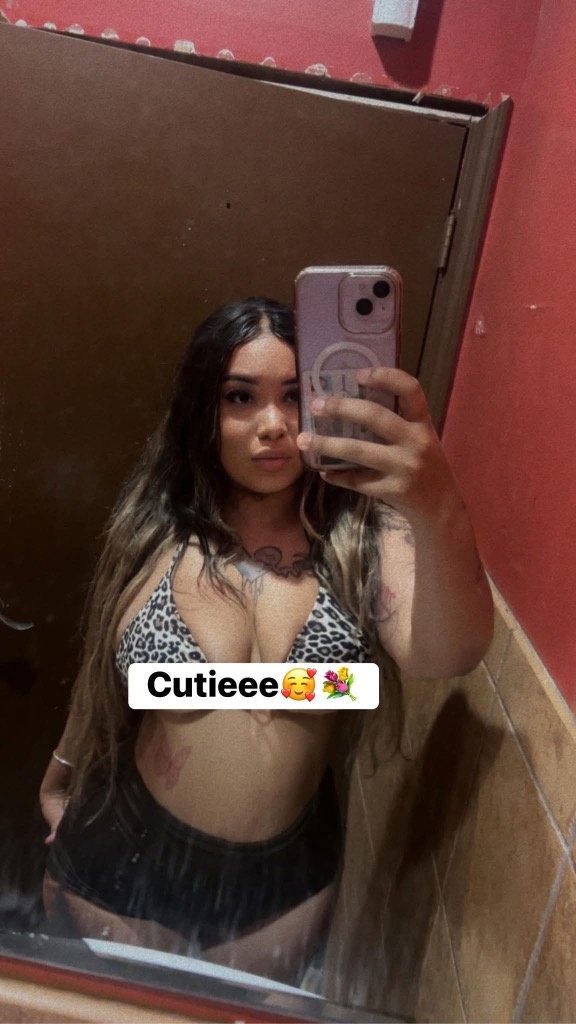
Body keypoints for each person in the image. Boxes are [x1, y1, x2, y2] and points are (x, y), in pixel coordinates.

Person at [39, 297, 493, 982]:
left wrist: (436, 502)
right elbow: (106, 669)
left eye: (295, 396)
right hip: (123, 847)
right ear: (204, 411)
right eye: (241, 397)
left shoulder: (366, 537)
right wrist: (61, 774)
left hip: (279, 884)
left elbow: (449, 654)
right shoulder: (156, 529)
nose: (273, 424)